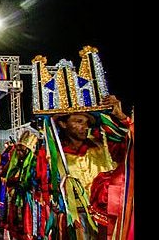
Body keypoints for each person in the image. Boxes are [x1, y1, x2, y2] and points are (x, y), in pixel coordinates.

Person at [52, 95, 132, 239]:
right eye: (78, 121)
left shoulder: (104, 146)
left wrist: (121, 117)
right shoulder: (52, 156)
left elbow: (130, 145)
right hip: (75, 227)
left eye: (87, 122)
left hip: (108, 225)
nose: (85, 126)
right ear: (63, 124)